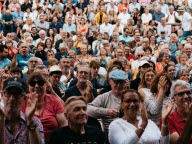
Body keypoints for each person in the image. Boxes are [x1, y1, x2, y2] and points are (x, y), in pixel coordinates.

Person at [21, 72, 68, 143]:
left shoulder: (54, 101)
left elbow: (64, 126)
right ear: (28, 86)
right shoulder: (22, 101)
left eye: (40, 83)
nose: (36, 86)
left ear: (46, 85)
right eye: (32, 83)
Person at [0, 77, 44, 143]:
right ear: (2, 95)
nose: (12, 98)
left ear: (24, 98)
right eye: (8, 94)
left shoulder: (35, 122)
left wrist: (30, 121)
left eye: (17, 95)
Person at [87, 69, 128, 135]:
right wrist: (106, 112)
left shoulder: (129, 96)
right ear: (110, 81)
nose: (119, 85)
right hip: (110, 134)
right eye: (116, 82)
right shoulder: (104, 97)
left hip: (128, 132)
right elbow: (88, 109)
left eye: (121, 82)